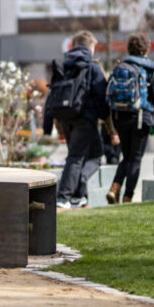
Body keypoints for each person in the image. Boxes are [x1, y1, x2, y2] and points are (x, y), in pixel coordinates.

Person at [43, 31, 112, 209]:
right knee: (81, 157)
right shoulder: (92, 67)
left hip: (65, 118)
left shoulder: (64, 65)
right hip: (85, 118)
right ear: (90, 47)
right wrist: (107, 121)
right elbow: (101, 96)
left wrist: (47, 126)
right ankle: (63, 197)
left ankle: (78, 197)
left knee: (85, 155)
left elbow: (51, 96)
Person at [107, 32, 154, 204]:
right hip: (140, 118)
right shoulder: (148, 68)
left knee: (126, 157)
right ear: (147, 49)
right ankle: (127, 197)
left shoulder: (121, 67)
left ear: (129, 48)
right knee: (135, 158)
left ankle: (114, 188)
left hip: (120, 117)